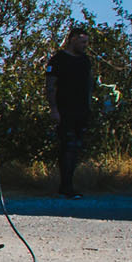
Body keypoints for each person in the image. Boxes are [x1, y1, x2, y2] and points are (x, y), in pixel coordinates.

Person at [45, 27, 94, 197]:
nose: (85, 45)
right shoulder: (58, 59)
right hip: (64, 110)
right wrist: (54, 109)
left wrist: (89, 106)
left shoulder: (85, 60)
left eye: (86, 42)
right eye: (82, 42)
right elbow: (50, 86)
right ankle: (65, 186)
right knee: (67, 146)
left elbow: (89, 84)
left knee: (77, 147)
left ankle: (69, 184)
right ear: (73, 39)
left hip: (82, 110)